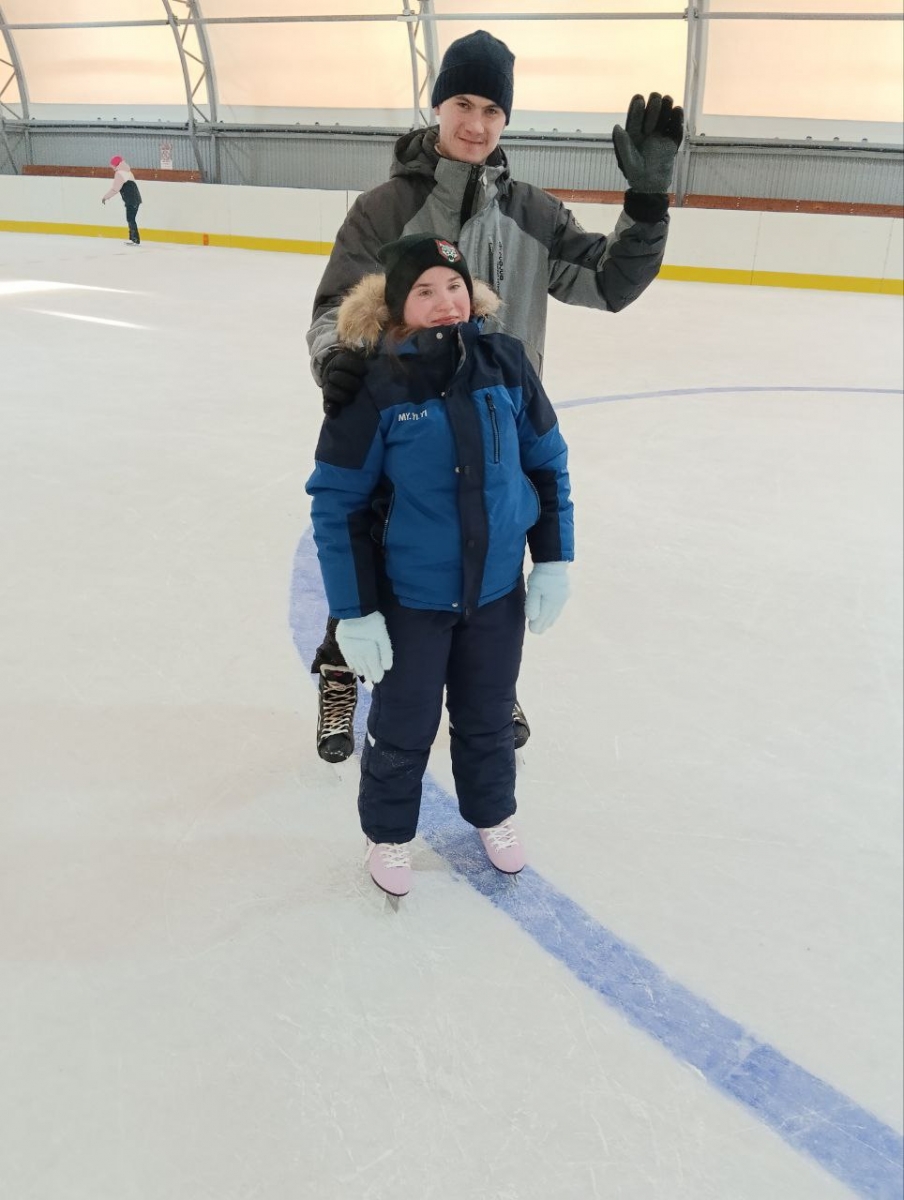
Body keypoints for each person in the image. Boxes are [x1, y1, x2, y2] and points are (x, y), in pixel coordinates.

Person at [306, 28, 683, 765]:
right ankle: (340, 672)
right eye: (463, 105)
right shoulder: (384, 209)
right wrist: (336, 362)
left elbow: (610, 283)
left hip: (494, 427)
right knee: (375, 555)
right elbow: (332, 309)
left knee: (490, 558)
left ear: (506, 119)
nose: (476, 124)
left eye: (492, 110)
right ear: (438, 106)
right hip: (400, 429)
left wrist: (646, 205)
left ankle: (489, 683)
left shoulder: (534, 213)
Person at [306, 234, 574, 897]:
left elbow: (546, 462)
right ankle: (388, 832)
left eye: (454, 286)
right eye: (424, 291)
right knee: (403, 723)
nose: (445, 301)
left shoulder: (505, 362)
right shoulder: (373, 385)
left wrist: (552, 559)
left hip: (496, 593)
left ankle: (493, 815)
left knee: (489, 716)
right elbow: (337, 503)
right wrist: (354, 611)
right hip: (412, 599)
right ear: (396, 304)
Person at [101, 156, 142, 246]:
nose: (112, 167)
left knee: (130, 218)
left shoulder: (119, 173)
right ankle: (133, 239)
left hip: (131, 200)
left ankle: (135, 239)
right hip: (135, 199)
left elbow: (115, 189)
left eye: (112, 165)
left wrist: (106, 197)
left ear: (115, 164)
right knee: (130, 218)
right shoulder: (128, 172)